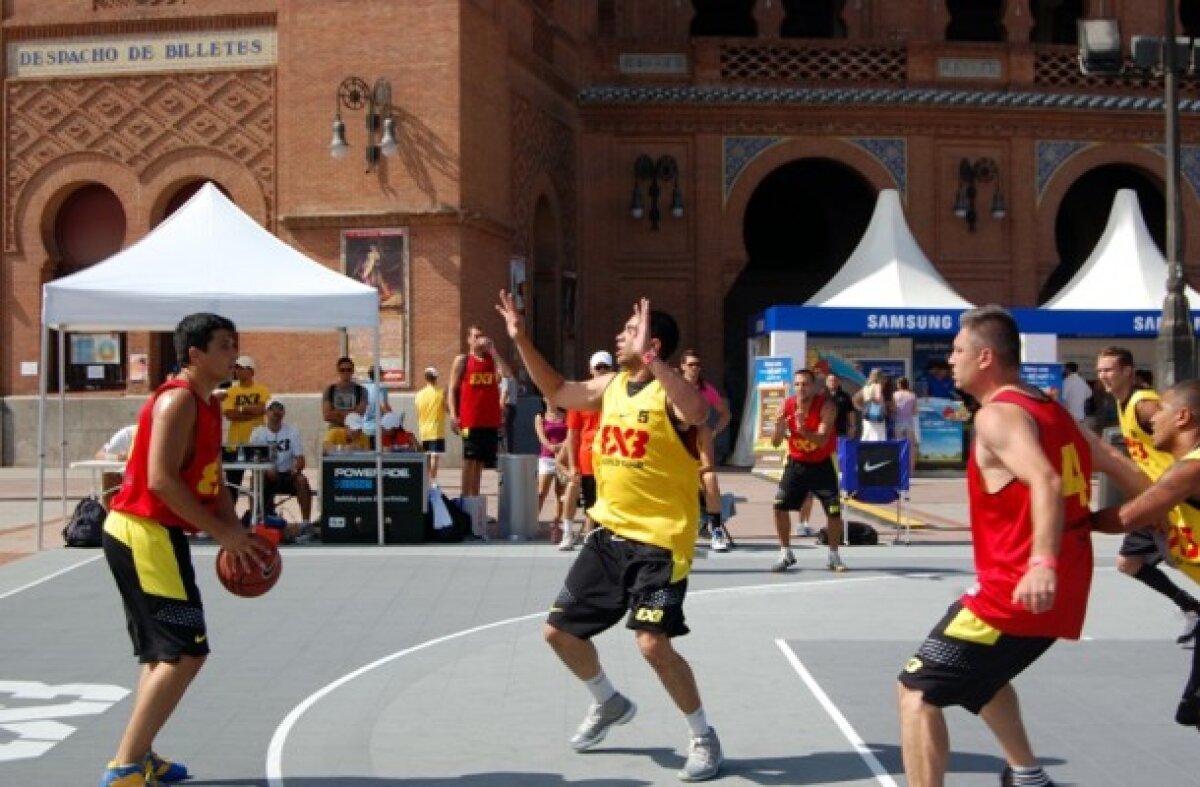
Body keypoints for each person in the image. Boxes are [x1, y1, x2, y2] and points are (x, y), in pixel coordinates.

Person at [897, 306, 1146, 787]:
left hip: (1016, 592)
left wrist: (1041, 563)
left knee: (917, 692)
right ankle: (1028, 774)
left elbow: (1045, 481)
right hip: (1060, 588)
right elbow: (1115, 462)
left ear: (985, 357)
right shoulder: (1050, 410)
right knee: (982, 675)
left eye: (958, 350)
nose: (951, 360)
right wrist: (1161, 515)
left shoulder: (997, 416)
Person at [496, 291, 724, 782]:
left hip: (661, 542)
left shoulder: (670, 391)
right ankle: (608, 701)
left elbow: (698, 414)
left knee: (652, 644)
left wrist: (654, 363)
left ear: (652, 345)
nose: (619, 336)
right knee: (558, 633)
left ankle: (703, 737)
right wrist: (521, 340)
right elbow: (558, 391)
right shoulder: (611, 386)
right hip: (609, 534)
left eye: (629, 331)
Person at [98, 313, 269, 787]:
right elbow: (160, 480)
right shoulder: (177, 401)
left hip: (157, 535)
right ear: (195, 354)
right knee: (184, 653)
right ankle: (124, 767)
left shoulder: (209, 404)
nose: (234, 353)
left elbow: (214, 482)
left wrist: (237, 532)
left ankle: (139, 755)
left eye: (234, 343)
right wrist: (222, 535)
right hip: (142, 532)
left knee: (163, 657)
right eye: (224, 345)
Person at [1093, 379, 1200, 726]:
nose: (1153, 418)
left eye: (1162, 409)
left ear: (1183, 417)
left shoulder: (1190, 470)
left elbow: (1125, 518)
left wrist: (1064, 519)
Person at [1095, 346, 1200, 644]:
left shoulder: (1144, 405)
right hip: (1163, 499)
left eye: (1109, 369)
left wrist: (1067, 518)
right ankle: (1191, 607)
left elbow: (1125, 518)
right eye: (1100, 370)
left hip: (1170, 499)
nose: (1103, 375)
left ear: (1128, 371)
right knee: (1130, 562)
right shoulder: (1123, 404)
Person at [770, 368, 848, 573]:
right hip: (797, 463)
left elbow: (822, 440)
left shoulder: (827, 406)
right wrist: (779, 427)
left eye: (805, 384)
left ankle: (833, 555)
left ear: (813, 387)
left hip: (823, 463)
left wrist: (803, 428)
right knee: (779, 506)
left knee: (833, 511)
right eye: (797, 384)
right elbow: (776, 443)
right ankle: (785, 552)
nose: (801, 388)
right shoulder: (787, 405)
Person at [448, 325, 513, 499]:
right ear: (469, 339)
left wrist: (494, 351)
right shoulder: (463, 360)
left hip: (490, 420)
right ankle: (465, 497)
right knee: (469, 458)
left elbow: (507, 374)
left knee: (480, 461)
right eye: (475, 336)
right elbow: (452, 389)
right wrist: (453, 415)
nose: (479, 340)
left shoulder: (491, 360)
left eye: (481, 336)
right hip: (470, 420)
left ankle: (474, 498)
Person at [680, 349, 732, 552]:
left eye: (698, 365)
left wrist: (715, 431)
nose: (695, 368)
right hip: (675, 448)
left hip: (696, 451)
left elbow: (725, 414)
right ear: (683, 366)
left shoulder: (706, 390)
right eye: (691, 364)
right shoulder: (674, 386)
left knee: (710, 478)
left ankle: (716, 528)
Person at [560, 351, 612, 550]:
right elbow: (572, 433)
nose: (601, 371)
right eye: (598, 367)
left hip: (611, 457)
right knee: (588, 499)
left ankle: (594, 539)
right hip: (588, 457)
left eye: (605, 367)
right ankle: (569, 532)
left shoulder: (618, 395)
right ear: (591, 370)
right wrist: (572, 464)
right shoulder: (581, 396)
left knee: (605, 501)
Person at [248, 399, 314, 539]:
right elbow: (253, 460)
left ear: (284, 413)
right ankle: (255, 521)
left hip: (287, 474)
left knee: (302, 481)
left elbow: (300, 459)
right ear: (266, 412)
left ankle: (306, 523)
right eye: (272, 409)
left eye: (279, 409)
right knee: (254, 480)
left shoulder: (292, 431)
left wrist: (295, 471)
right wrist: (267, 469)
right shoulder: (258, 433)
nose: (276, 412)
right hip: (265, 475)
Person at [221, 355, 269, 504]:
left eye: (241, 368)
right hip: (235, 444)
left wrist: (241, 409)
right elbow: (230, 414)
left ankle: (257, 512)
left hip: (257, 443)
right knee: (232, 484)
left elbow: (263, 409)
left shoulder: (262, 390)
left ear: (251, 371)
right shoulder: (231, 391)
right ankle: (231, 514)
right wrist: (250, 412)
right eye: (236, 368)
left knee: (260, 482)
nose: (237, 371)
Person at [534, 398, 570, 542]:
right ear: (544, 399)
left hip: (563, 458)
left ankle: (556, 525)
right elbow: (541, 436)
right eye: (547, 397)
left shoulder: (566, 415)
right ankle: (533, 520)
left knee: (560, 493)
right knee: (541, 491)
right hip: (546, 458)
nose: (551, 399)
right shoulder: (540, 417)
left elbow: (570, 435)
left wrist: (561, 446)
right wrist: (550, 446)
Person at [321, 356, 367, 441]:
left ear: (353, 371)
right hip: (334, 434)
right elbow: (327, 415)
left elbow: (359, 414)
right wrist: (350, 416)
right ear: (338, 371)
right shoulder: (330, 390)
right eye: (342, 370)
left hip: (355, 434)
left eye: (348, 370)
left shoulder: (361, 390)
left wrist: (337, 413)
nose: (346, 372)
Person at [414, 366, 448, 480]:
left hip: (423, 430)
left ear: (425, 378)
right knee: (434, 456)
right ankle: (433, 481)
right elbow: (447, 409)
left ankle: (426, 480)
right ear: (436, 378)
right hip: (436, 430)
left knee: (427, 456)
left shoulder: (419, 395)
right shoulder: (440, 393)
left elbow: (418, 412)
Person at [96, 424, 137, 508]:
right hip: (123, 480)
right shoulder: (126, 434)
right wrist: (117, 457)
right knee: (110, 477)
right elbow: (99, 454)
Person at [892, 376, 920, 474]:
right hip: (909, 421)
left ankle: (900, 469)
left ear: (899, 385)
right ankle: (911, 470)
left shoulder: (895, 395)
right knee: (911, 446)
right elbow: (915, 411)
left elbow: (894, 409)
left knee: (899, 445)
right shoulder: (912, 395)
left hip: (898, 420)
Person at [361, 366, 392, 448]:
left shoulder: (364, 387)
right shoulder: (380, 387)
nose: (383, 376)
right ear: (379, 375)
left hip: (364, 429)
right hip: (377, 429)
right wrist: (392, 418)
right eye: (382, 374)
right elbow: (383, 405)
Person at [858, 368, 888, 442]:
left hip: (867, 415)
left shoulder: (866, 387)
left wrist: (862, 408)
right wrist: (883, 406)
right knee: (878, 437)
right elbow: (878, 399)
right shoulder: (877, 386)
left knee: (866, 436)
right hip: (877, 415)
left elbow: (855, 399)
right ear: (880, 377)